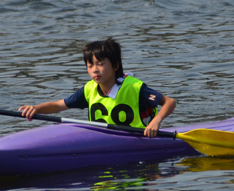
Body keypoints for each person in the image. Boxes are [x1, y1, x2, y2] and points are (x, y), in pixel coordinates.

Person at [19, 37, 176, 138]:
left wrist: (156, 121)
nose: (95, 69)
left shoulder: (135, 87)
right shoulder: (89, 89)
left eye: (101, 64)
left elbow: (169, 102)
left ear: (115, 66)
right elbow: (58, 105)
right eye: (90, 65)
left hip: (138, 141)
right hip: (103, 141)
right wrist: (36, 109)